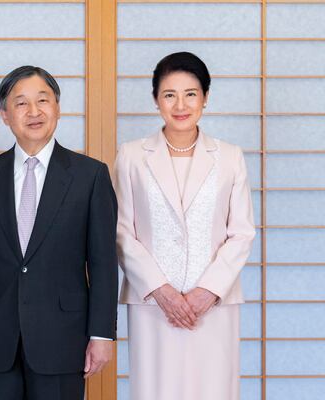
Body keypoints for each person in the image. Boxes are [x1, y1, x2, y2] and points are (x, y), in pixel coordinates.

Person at [0, 65, 118, 400]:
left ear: (58, 108)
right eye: (21, 103)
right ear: (5, 115)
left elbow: (103, 263)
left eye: (43, 100)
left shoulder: (90, 176)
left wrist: (101, 334)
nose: (34, 111)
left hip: (64, 336)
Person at [113, 52, 256, 400]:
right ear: (155, 99)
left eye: (191, 93)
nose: (181, 104)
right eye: (169, 94)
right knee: (155, 388)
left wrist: (207, 292)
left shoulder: (230, 156)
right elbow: (120, 231)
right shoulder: (131, 155)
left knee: (213, 388)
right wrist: (162, 291)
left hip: (214, 305)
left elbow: (242, 232)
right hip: (153, 305)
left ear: (206, 97)